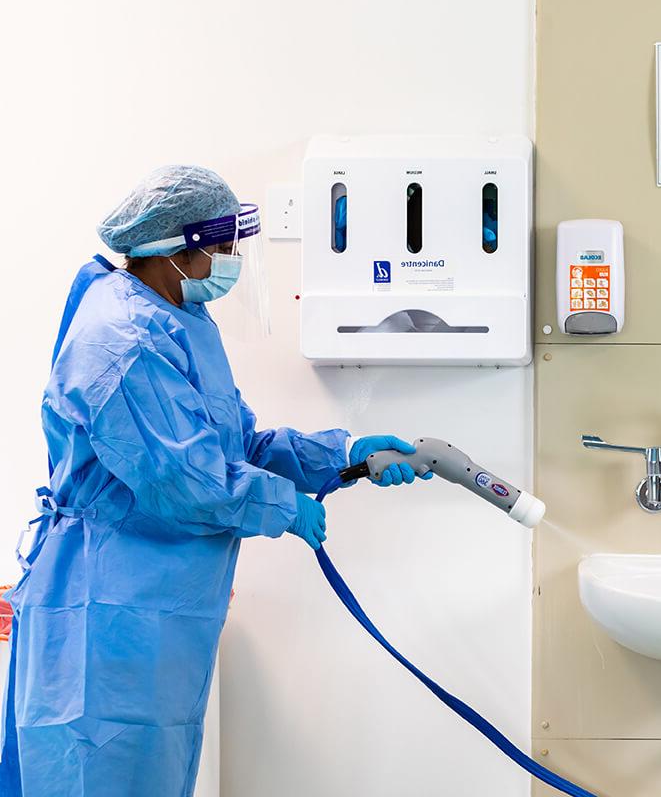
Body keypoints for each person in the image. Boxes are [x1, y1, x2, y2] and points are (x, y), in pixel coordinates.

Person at [0, 165, 429, 796]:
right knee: (98, 773)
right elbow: (188, 480)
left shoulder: (176, 319)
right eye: (223, 248)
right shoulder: (125, 340)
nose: (231, 262)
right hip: (107, 611)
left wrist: (344, 457)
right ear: (175, 250)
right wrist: (285, 506)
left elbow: (235, 446)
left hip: (157, 611)